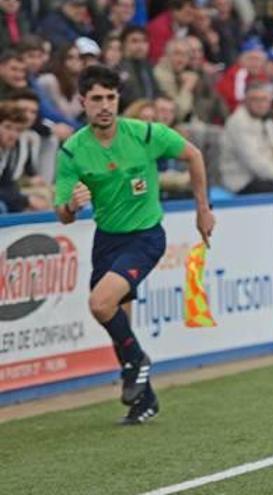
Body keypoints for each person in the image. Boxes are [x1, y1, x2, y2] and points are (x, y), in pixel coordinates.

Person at [53, 65, 215, 425]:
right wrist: (71, 206)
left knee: (99, 303)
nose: (105, 105)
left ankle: (138, 362)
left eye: (110, 97)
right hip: (106, 239)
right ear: (82, 101)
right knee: (116, 321)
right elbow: (62, 214)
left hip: (145, 236)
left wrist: (202, 209)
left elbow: (194, 156)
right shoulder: (73, 151)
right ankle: (145, 399)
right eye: (96, 98)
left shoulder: (144, 133)